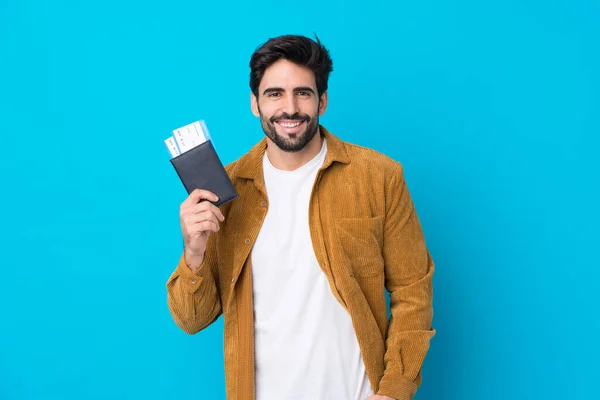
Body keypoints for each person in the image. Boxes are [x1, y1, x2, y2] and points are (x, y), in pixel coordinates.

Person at [166, 34, 435, 400]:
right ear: (254, 104)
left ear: (322, 101)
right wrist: (194, 252)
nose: (289, 108)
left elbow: (413, 289)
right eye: (274, 93)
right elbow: (191, 319)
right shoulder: (225, 189)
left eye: (303, 93)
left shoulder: (380, 177)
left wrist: (395, 389)